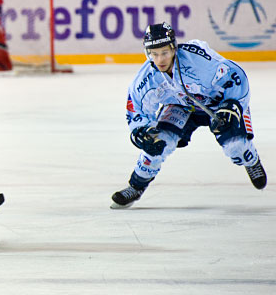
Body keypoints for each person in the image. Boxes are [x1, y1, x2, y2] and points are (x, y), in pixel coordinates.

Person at [111, 22, 267, 209]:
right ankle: (136, 186)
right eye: (154, 53)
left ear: (174, 48)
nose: (160, 59)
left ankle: (251, 160)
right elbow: (136, 107)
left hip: (217, 103)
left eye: (164, 52)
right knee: (158, 142)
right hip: (181, 106)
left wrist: (232, 106)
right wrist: (140, 130)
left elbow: (236, 76)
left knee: (235, 145)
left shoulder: (199, 62)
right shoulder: (147, 77)